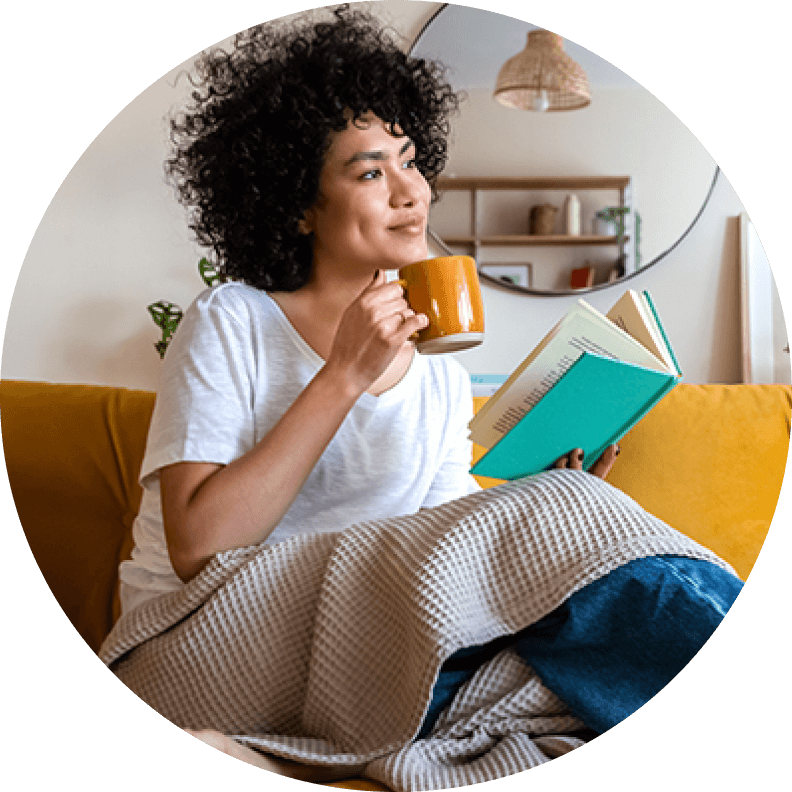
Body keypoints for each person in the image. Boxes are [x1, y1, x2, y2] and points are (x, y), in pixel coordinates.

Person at [118, 5, 739, 780]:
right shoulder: (232, 320)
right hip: (198, 645)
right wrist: (342, 374)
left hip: (350, 650)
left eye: (411, 161)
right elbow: (199, 549)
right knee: (568, 564)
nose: (412, 192)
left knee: (561, 659)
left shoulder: (440, 375)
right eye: (371, 171)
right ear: (299, 204)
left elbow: (439, 565)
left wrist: (544, 501)